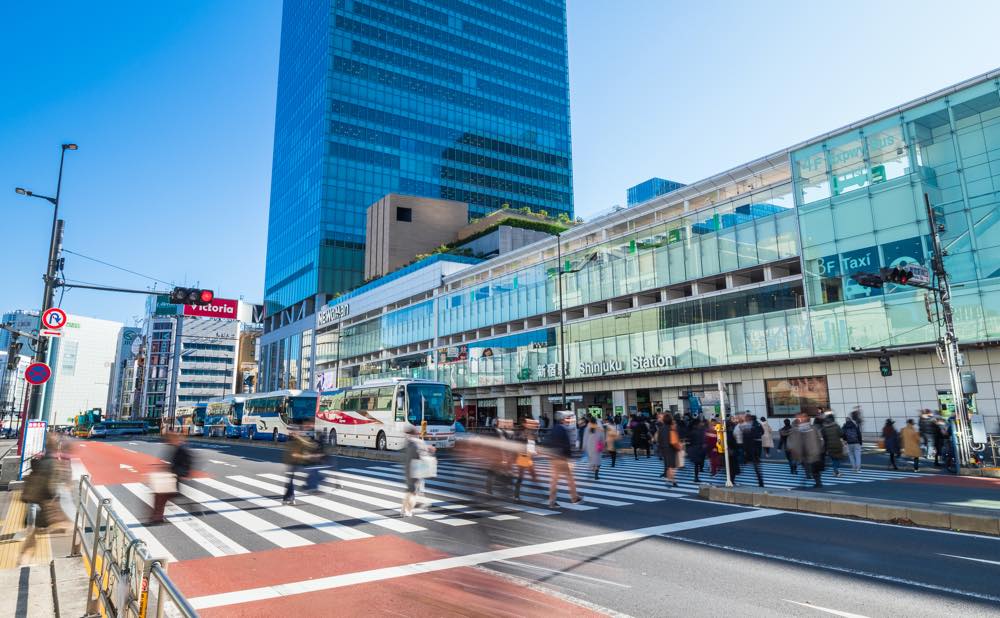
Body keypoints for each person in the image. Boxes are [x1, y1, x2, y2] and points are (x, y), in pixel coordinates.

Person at [18, 436, 69, 564]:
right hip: (45, 505)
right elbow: (51, 487)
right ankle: (24, 561)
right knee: (67, 528)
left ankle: (23, 561)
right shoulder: (52, 462)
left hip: (36, 502)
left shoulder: (43, 459)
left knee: (33, 534)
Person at [149, 431, 193, 523]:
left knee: (161, 498)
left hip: (175, 478)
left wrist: (182, 473)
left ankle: (157, 517)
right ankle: (157, 517)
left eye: (170, 439)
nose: (168, 441)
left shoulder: (182, 449)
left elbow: (187, 463)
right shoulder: (175, 447)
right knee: (161, 498)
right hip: (172, 478)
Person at [543, 411, 583, 508]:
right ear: (562, 419)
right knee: (570, 479)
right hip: (562, 458)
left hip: (554, 458)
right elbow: (566, 445)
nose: (568, 420)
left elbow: (548, 443)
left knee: (555, 481)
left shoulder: (554, 429)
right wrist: (569, 458)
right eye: (566, 418)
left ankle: (552, 501)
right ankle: (574, 497)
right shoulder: (562, 429)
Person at [402, 425, 436, 516]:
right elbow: (421, 455)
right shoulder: (418, 442)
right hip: (416, 470)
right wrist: (430, 451)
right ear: (415, 433)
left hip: (408, 469)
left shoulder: (408, 442)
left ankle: (404, 509)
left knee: (410, 490)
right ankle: (408, 510)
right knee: (413, 492)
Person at [787, 411, 824, 488]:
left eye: (802, 417)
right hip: (803, 452)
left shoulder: (813, 428)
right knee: (807, 465)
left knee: (814, 467)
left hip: (813, 452)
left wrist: (819, 449)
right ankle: (811, 477)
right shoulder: (795, 429)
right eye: (799, 417)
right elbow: (791, 441)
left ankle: (817, 481)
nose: (800, 419)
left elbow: (820, 439)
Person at [283, 431, 320, 506]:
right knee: (290, 481)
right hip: (294, 463)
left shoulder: (299, 441)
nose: (292, 434)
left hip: (296, 463)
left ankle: (289, 497)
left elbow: (310, 445)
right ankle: (289, 497)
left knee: (290, 481)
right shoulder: (291, 442)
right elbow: (291, 454)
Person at [514, 420, 540, 500]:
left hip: (528, 457)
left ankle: (540, 490)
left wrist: (534, 451)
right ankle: (516, 495)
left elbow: (532, 444)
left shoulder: (532, 433)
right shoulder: (522, 433)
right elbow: (521, 444)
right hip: (522, 457)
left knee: (532, 475)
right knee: (521, 476)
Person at [655, 413, 681, 487]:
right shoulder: (672, 428)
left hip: (664, 448)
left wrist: (660, 448)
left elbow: (659, 439)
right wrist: (678, 447)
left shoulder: (661, 428)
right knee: (672, 465)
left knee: (669, 464)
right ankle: (672, 480)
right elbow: (674, 440)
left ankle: (670, 479)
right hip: (671, 448)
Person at [741, 415, 765, 487]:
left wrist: (744, 449)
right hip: (757, 445)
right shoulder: (758, 424)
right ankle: (760, 481)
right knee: (756, 463)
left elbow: (745, 439)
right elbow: (762, 432)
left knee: (755, 464)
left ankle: (760, 481)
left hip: (751, 447)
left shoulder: (747, 427)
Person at [820, 412, 845, 478]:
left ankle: (835, 471)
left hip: (829, 446)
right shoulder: (836, 426)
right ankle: (836, 471)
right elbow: (842, 434)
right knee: (837, 459)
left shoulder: (824, 428)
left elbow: (823, 436)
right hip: (837, 445)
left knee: (833, 459)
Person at [686, 418, 707, 483]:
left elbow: (689, 441)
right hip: (699, 449)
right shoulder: (700, 430)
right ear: (698, 424)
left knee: (696, 464)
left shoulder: (692, 431)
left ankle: (696, 477)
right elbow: (703, 439)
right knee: (698, 463)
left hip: (694, 449)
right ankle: (696, 477)